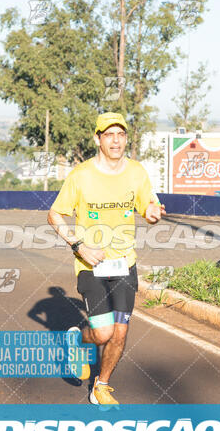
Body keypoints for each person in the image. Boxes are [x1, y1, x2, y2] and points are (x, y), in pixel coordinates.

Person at [47, 112, 166, 405]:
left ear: (126, 138)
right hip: (91, 264)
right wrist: (78, 245)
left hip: (125, 262)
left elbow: (149, 207)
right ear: (97, 139)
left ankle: (101, 385)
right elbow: (54, 214)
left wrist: (152, 215)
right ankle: (77, 340)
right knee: (102, 333)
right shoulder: (81, 175)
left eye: (121, 134)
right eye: (109, 134)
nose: (116, 140)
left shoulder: (137, 172)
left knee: (120, 332)